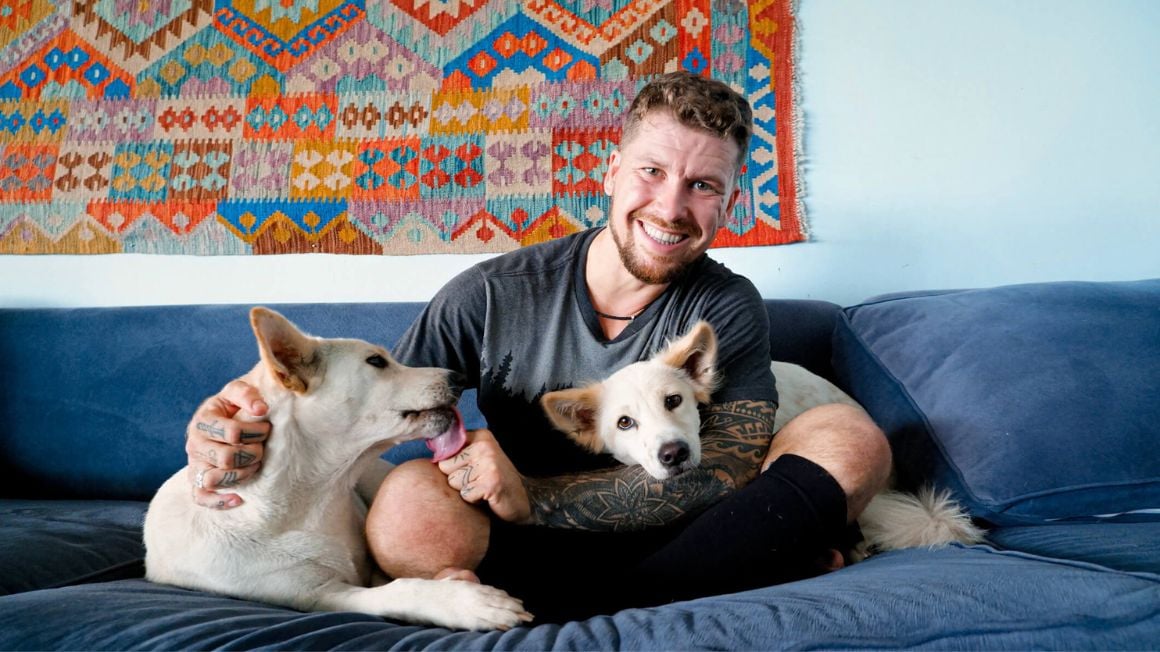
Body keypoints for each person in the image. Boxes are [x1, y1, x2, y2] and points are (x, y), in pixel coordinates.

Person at [184, 71, 891, 621]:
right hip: (526, 542)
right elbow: (365, 403)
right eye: (651, 171)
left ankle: (588, 602)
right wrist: (234, 428)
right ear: (611, 173)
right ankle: (741, 567)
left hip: (692, 521)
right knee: (407, 507)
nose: (671, 207)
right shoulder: (492, 293)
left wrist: (537, 500)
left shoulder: (724, 303)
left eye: (702, 186)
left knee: (850, 441)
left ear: (729, 205)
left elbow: (727, 470)